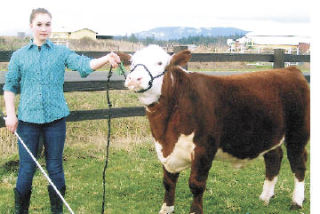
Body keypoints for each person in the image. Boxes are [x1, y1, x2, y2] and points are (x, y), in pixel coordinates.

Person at [3, 8, 120, 213]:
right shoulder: (19, 56)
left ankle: (57, 210)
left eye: (48, 24)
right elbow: (10, 86)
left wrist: (106, 58)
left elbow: (84, 65)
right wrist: (11, 114)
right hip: (28, 122)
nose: (44, 29)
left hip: (55, 121)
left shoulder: (60, 53)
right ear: (31, 26)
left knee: (55, 167)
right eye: (39, 24)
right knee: (27, 169)